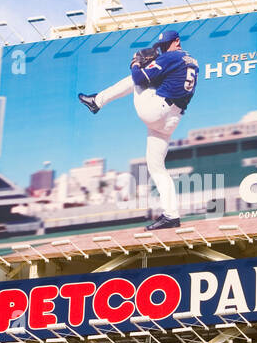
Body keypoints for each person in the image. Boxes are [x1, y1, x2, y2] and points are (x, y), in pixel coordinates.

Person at [77, 27, 198, 230]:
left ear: (177, 41)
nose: (162, 49)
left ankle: (97, 101)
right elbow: (172, 80)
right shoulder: (192, 61)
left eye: (165, 45)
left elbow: (140, 78)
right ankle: (171, 215)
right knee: (157, 167)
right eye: (161, 46)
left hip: (157, 111)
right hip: (172, 119)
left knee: (134, 80)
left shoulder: (171, 58)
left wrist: (135, 63)